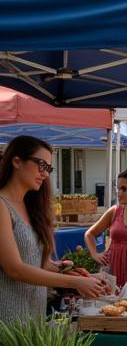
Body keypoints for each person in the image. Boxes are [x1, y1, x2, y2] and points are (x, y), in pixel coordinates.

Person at [0, 135, 106, 319]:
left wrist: (66, 270)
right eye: (41, 165)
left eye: (48, 168)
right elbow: (14, 268)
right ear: (16, 161)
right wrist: (75, 282)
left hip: (33, 318)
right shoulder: (2, 205)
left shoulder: (31, 206)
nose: (45, 174)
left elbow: (35, 263)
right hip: (8, 319)